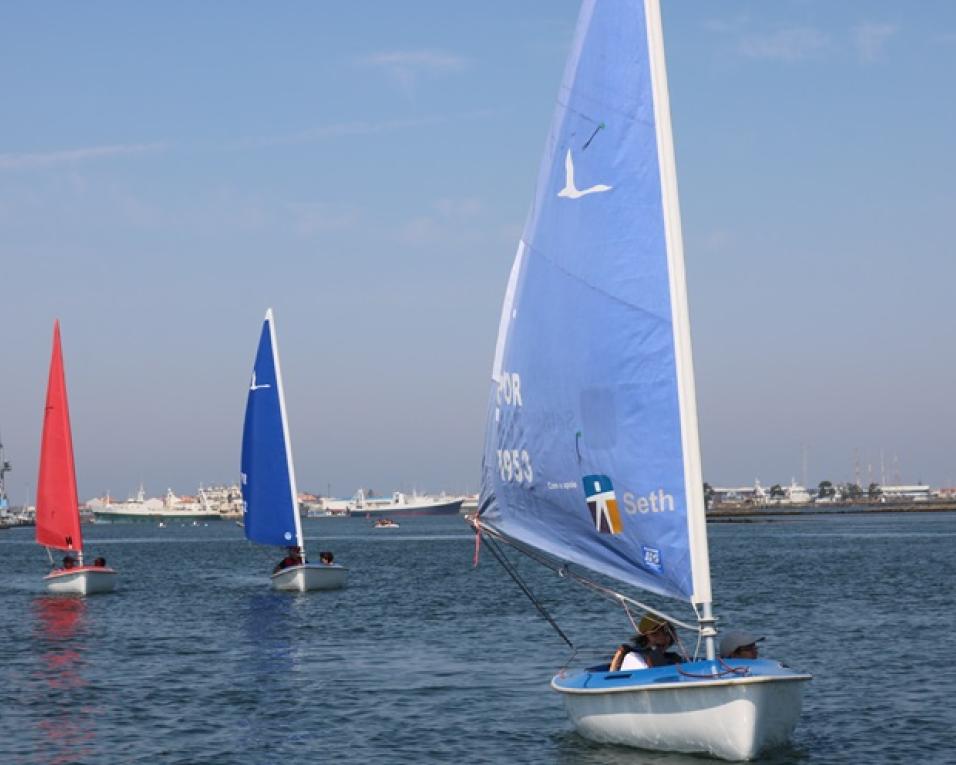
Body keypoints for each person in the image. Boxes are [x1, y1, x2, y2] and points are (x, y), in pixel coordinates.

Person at [610, 613, 683, 671]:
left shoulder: (673, 658)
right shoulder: (634, 657)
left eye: (667, 633)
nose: (665, 638)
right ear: (647, 636)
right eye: (655, 634)